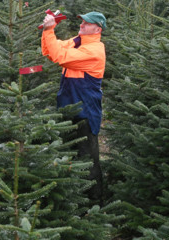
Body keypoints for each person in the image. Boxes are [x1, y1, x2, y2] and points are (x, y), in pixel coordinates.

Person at [41, 11, 107, 205]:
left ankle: (94, 203)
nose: (82, 25)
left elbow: (60, 56)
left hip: (85, 112)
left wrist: (50, 28)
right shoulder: (77, 42)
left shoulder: (94, 50)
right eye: (82, 21)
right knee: (69, 154)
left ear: (98, 29)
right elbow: (49, 50)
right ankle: (72, 200)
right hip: (68, 108)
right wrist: (47, 32)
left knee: (88, 159)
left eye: (88, 23)